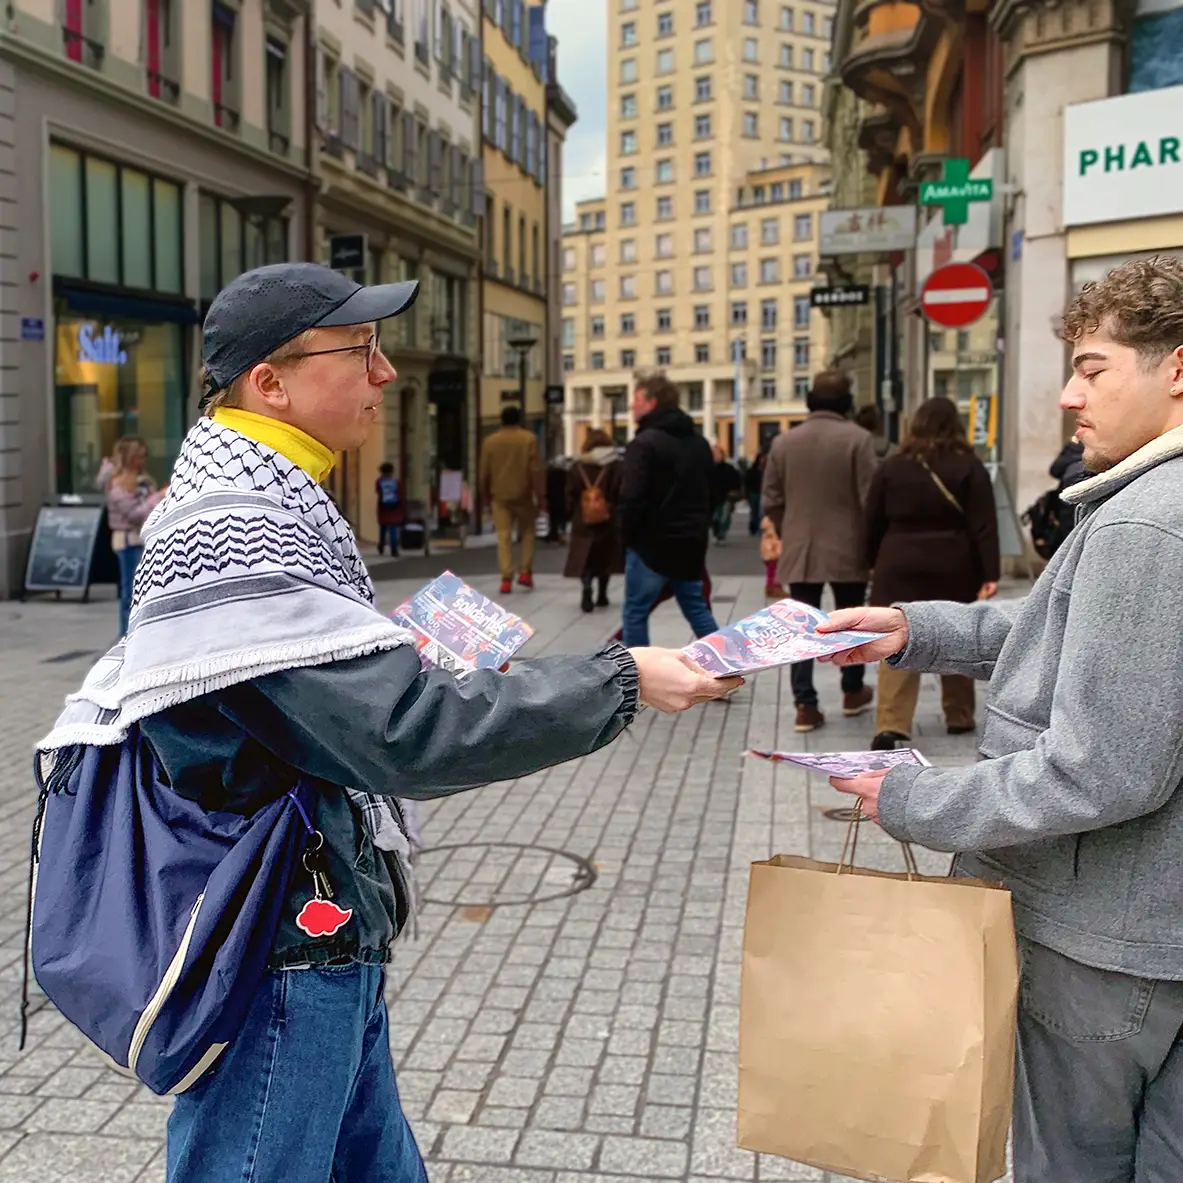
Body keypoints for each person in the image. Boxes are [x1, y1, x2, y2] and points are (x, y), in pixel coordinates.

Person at [40, 262, 741, 1183]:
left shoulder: (268, 496)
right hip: (281, 942)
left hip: (317, 921)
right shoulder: (233, 524)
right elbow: (402, 731)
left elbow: (319, 695)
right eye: (359, 349)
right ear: (270, 381)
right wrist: (619, 677)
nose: (385, 372)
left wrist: (397, 652)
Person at [818, 256, 1183, 1183]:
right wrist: (917, 630)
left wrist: (914, 800)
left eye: (1092, 369)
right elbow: (1077, 630)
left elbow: (1100, 771)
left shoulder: (1147, 522)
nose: (1068, 396)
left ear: (1175, 369)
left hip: (1108, 945)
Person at [863, 397, 1000, 750]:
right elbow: (984, 523)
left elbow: (872, 519)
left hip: (899, 561)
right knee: (956, 632)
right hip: (953, 562)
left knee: (896, 636)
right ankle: (958, 713)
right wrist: (990, 571)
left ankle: (891, 724)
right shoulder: (969, 466)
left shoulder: (893, 466)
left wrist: (870, 560)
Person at [761, 370, 877, 732]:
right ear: (847, 402)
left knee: (800, 630)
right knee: (852, 621)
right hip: (849, 546)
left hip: (801, 547)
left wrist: (789, 529)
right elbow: (870, 499)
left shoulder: (784, 443)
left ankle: (804, 705)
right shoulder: (858, 439)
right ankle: (852, 690)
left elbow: (771, 499)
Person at [619, 372, 719, 647]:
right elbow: (712, 493)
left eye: (636, 399)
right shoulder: (699, 444)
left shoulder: (644, 444)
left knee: (635, 612)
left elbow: (631, 497)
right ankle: (726, 663)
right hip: (690, 544)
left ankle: (638, 671)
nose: (631, 406)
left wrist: (626, 538)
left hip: (650, 547)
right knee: (697, 608)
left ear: (651, 402)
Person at [104, 435, 166, 637]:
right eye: (139, 456)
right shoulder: (117, 484)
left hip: (143, 538)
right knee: (130, 590)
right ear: (130, 458)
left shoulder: (142, 479)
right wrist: (159, 496)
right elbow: (134, 514)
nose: (143, 461)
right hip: (128, 541)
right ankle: (127, 635)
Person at [478, 405, 544, 594]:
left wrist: (485, 496)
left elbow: (484, 472)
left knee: (503, 536)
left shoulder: (490, 442)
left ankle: (506, 578)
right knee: (528, 533)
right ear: (519, 420)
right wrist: (541, 495)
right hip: (524, 494)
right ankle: (525, 572)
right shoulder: (529, 439)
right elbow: (536, 470)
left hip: (499, 496)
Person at [564, 427, 624, 612]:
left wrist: (571, 513)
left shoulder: (577, 466)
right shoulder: (615, 465)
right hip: (608, 518)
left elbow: (569, 494)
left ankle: (587, 585)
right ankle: (602, 594)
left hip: (582, 519)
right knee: (605, 556)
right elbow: (620, 492)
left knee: (585, 556)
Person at [709, 443, 743, 543]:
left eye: (717, 453)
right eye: (714, 454)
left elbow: (736, 481)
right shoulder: (708, 468)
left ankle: (722, 534)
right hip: (712, 497)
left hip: (726, 497)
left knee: (724, 517)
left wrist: (734, 491)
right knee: (714, 518)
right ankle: (716, 533)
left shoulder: (729, 468)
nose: (716, 456)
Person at [375, 462, 402, 557]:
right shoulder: (396, 482)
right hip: (394, 508)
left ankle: (381, 546)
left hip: (383, 507)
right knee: (393, 529)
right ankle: (394, 549)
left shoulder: (379, 481)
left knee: (383, 528)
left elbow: (378, 492)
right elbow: (399, 494)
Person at [745, 447, 769, 536]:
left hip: (763, 493)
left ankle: (759, 527)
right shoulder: (753, 470)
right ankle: (753, 527)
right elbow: (748, 481)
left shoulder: (768, 470)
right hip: (754, 492)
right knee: (754, 512)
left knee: (761, 512)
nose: (763, 460)